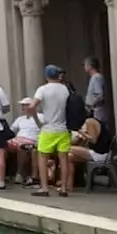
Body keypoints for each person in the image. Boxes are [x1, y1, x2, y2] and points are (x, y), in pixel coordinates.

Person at [33, 65, 72, 198]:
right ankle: (63, 188)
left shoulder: (42, 89)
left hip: (48, 128)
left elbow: (33, 106)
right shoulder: (65, 89)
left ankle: (44, 188)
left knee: (42, 158)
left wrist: (36, 119)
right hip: (63, 129)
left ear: (46, 76)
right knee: (64, 159)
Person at [9, 98, 42, 187]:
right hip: (17, 139)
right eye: (22, 106)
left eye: (25, 106)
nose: (23, 108)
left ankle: (19, 174)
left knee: (22, 147)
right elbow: (11, 131)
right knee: (1, 147)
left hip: (31, 140)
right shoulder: (20, 119)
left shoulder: (41, 117)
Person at [84, 57, 109, 124]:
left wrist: (91, 105)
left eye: (85, 65)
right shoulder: (97, 77)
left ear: (90, 66)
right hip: (97, 112)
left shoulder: (96, 78)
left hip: (97, 113)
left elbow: (100, 95)